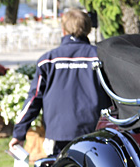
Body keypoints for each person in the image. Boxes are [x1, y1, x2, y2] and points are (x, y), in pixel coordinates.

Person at [10, 8, 111, 156]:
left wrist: (18, 134)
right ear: (88, 29)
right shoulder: (101, 58)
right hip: (95, 132)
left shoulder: (48, 60)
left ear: (63, 30)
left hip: (59, 133)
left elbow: (33, 99)